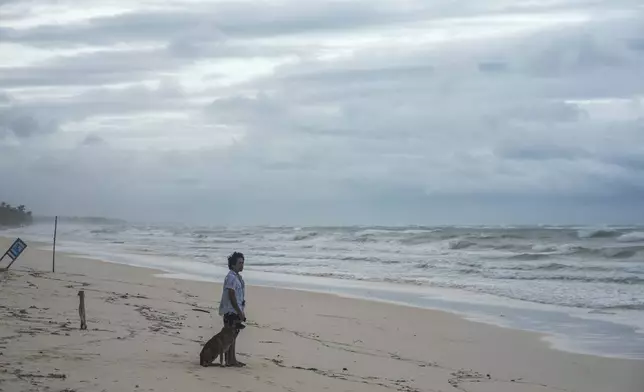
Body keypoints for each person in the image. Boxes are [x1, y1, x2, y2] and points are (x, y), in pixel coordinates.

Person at [218, 251, 246, 367]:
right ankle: (230, 360)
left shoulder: (237, 277)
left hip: (236, 309)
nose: (242, 265)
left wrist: (241, 310)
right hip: (231, 311)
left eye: (243, 263)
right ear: (233, 265)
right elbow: (231, 294)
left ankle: (231, 359)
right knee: (230, 335)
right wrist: (239, 311)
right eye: (239, 263)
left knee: (233, 335)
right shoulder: (231, 277)